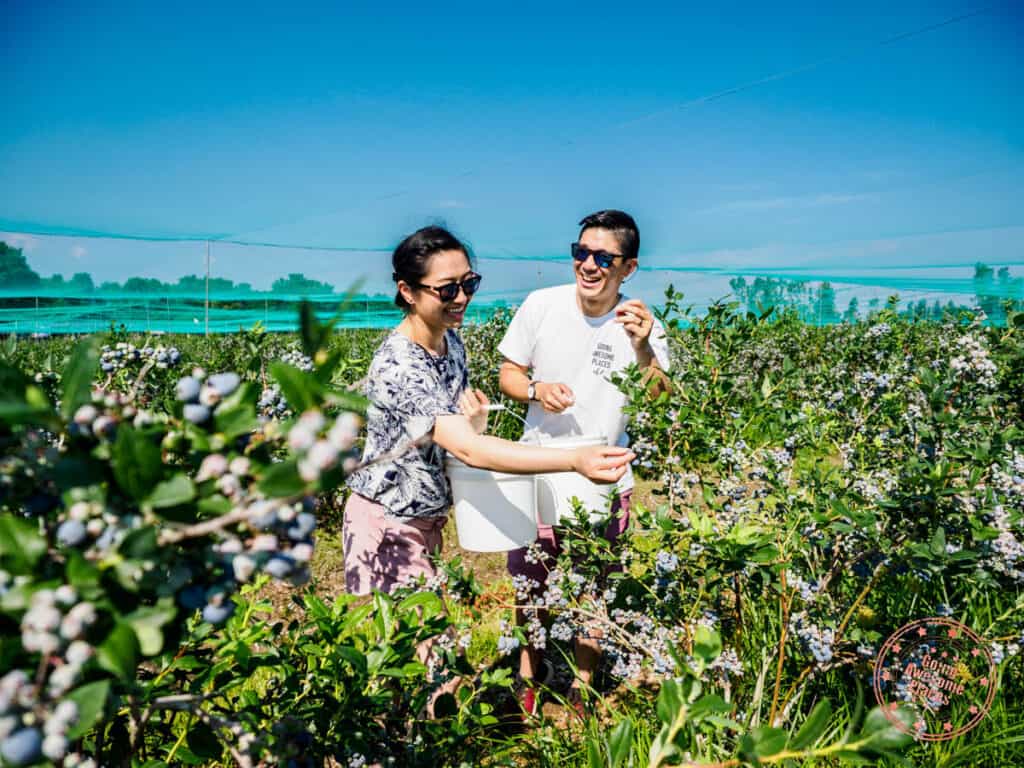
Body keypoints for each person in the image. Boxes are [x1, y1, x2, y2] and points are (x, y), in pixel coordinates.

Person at [342, 225, 635, 598]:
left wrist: (471, 423)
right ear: (408, 292)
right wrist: (574, 459)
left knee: (424, 643)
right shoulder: (401, 365)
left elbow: (446, 435)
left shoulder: (450, 342)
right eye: (447, 289)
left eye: (469, 284)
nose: (461, 297)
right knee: (421, 648)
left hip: (424, 517)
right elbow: (469, 450)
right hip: (388, 522)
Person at [497, 209, 670, 715]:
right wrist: (535, 388)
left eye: (602, 257)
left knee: (596, 585)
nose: (588, 265)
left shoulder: (642, 325)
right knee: (530, 583)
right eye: (580, 252)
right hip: (538, 475)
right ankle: (530, 675)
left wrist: (642, 348)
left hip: (604, 477)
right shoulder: (541, 305)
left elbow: (660, 395)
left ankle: (583, 688)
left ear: (628, 267)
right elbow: (509, 372)